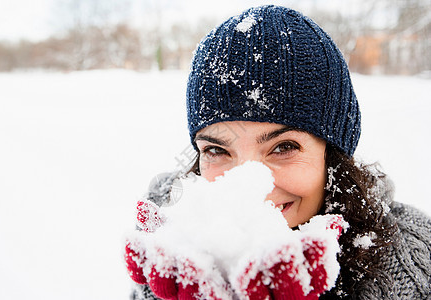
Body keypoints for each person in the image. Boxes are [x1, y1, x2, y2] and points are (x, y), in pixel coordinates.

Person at [126, 5, 430, 299]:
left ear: (334, 156)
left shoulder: (417, 266)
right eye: (217, 150)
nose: (251, 189)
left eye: (283, 147)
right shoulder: (170, 256)